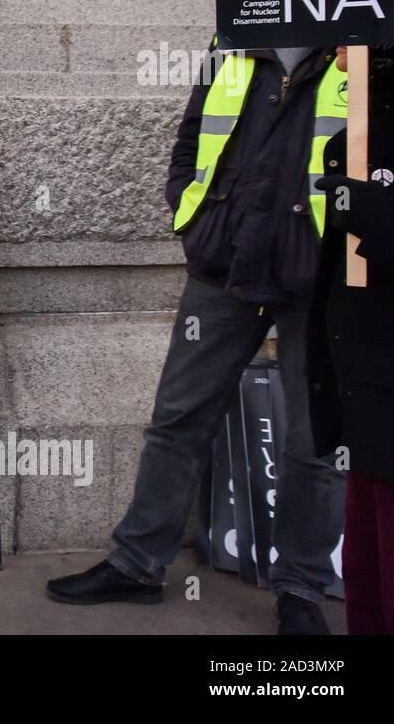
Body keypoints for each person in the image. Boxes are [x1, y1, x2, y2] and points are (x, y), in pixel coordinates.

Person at [47, 38, 348, 634]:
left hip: (320, 276)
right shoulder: (237, 30)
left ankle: (300, 591)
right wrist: (192, 211)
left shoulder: (366, 38)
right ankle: (137, 565)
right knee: (177, 419)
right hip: (224, 265)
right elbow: (193, 136)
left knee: (315, 445)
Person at [310, 44, 394, 635]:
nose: (338, 54)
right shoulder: (363, 123)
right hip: (365, 381)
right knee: (368, 576)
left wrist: (376, 213)